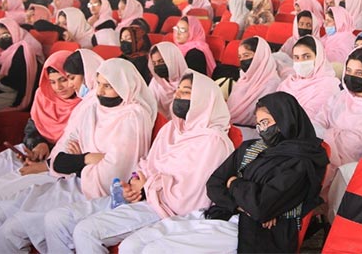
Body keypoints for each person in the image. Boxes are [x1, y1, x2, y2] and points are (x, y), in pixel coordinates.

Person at [43, 70, 234, 253]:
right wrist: (134, 182)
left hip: (162, 208)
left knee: (86, 231)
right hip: (144, 195)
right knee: (57, 220)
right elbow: (147, 164)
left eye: (186, 92)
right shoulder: (172, 128)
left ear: (204, 99)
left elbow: (190, 198)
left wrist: (147, 186)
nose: (178, 95)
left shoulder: (213, 141)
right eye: (178, 90)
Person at [0, 59, 156, 253]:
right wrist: (86, 159)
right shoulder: (94, 108)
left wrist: (74, 163)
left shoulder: (132, 116)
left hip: (93, 193)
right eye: (99, 84)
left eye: (108, 86)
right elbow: (62, 155)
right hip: (72, 182)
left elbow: (111, 174)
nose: (100, 91)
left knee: (11, 230)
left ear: (124, 87)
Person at [119, 92, 327, 253]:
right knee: (133, 244)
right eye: (258, 124)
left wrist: (234, 183)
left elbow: (262, 206)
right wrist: (241, 202)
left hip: (255, 230)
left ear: (286, 120)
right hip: (223, 213)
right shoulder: (250, 147)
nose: (262, 130)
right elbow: (214, 184)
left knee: (155, 250)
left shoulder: (302, 159)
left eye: (267, 123)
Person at [0, 50, 102, 252]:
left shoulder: (88, 104)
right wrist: (37, 143)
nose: (60, 87)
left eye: (67, 79)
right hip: (41, 152)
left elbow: (83, 151)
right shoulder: (46, 94)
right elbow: (33, 126)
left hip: (60, 166)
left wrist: (53, 158)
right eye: (53, 81)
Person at [318, 47, 362, 168]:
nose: (351, 77)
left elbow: (354, 146)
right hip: (321, 150)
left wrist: (325, 135)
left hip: (347, 167)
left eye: (359, 73)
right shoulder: (340, 96)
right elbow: (319, 119)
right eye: (349, 71)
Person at [277, 36, 340, 124]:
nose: (301, 62)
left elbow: (310, 118)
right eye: (296, 57)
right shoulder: (288, 82)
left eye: (306, 57)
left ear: (318, 57)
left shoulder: (329, 85)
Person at [228, 37, 281, 133]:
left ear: (260, 56)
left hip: (256, 133)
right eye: (240, 57)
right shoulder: (243, 79)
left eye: (246, 55)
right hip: (231, 127)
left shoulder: (273, 84)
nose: (242, 60)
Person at [148, 42, 189, 117]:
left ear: (173, 60)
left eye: (161, 61)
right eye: (154, 63)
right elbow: (149, 104)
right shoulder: (156, 82)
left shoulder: (189, 81)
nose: (157, 66)